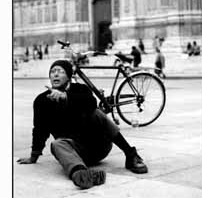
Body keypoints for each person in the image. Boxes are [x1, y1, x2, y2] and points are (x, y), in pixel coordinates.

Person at [17, 60, 148, 190]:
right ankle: (82, 174)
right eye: (52, 72)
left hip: (99, 146)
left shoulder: (81, 89)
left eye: (60, 71)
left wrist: (65, 97)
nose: (55, 75)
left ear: (68, 76)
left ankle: (131, 155)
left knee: (97, 113)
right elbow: (40, 129)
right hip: (74, 152)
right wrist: (34, 156)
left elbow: (90, 103)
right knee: (56, 144)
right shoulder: (41, 101)